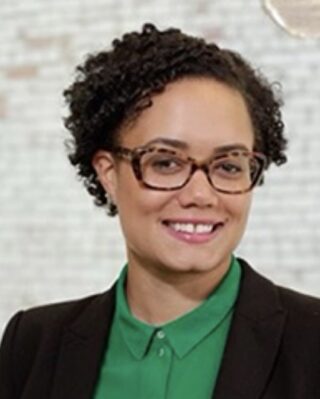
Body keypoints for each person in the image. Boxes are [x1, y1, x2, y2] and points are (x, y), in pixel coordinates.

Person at [0, 23, 319, 399]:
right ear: (108, 174)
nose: (201, 194)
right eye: (166, 162)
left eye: (228, 165)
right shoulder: (33, 344)